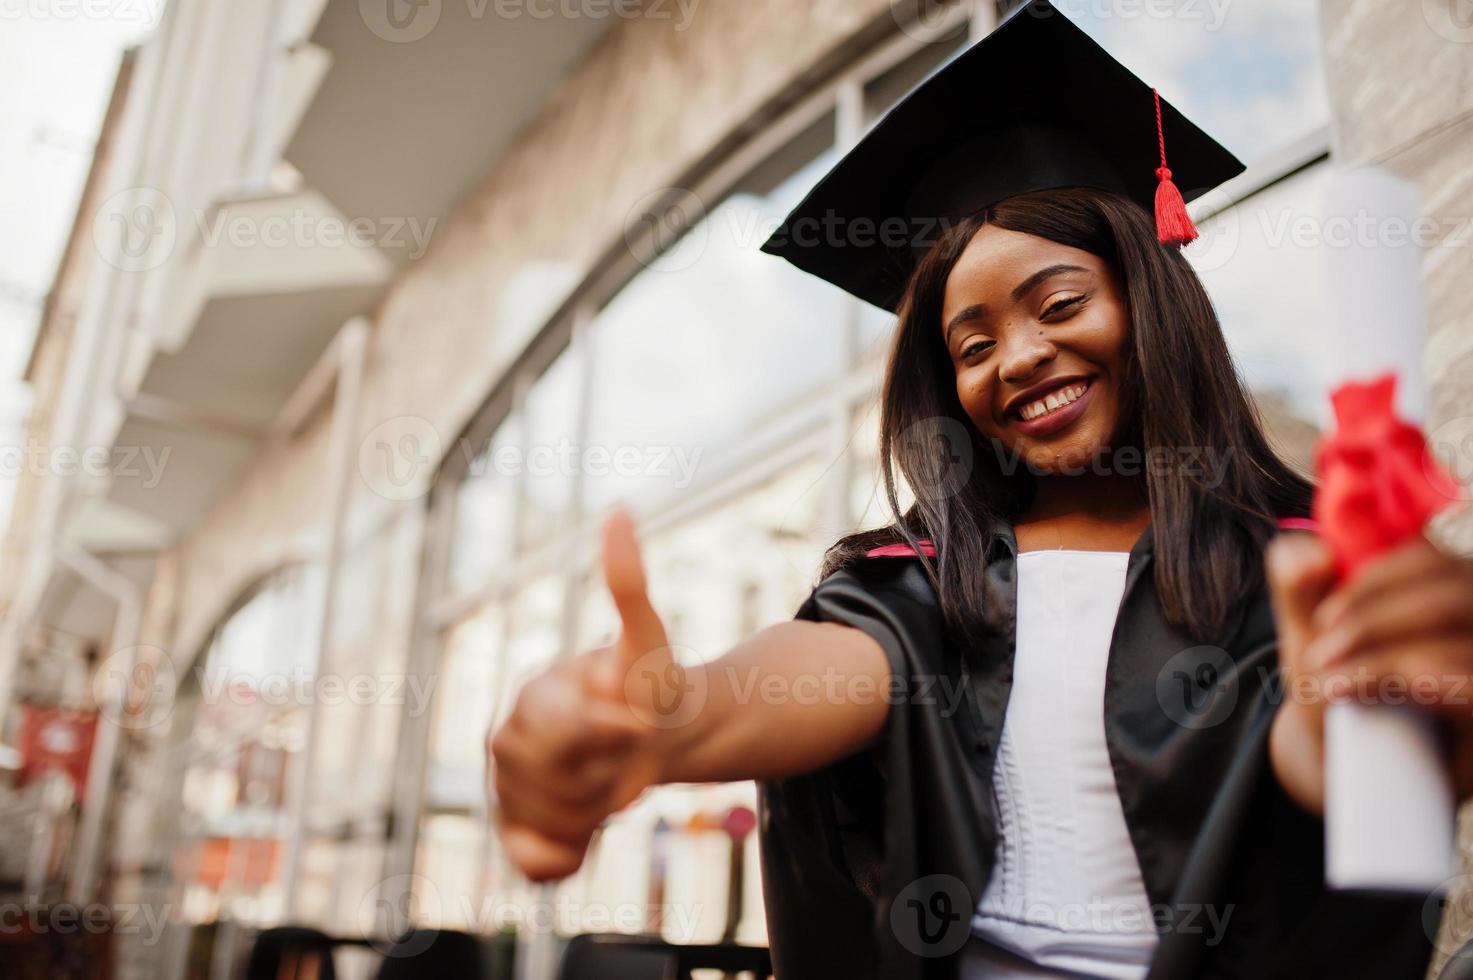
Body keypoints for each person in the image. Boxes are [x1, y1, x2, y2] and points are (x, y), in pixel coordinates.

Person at [487, 3, 1473, 977]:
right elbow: (811, 676)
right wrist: (672, 718)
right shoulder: (922, 583)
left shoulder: (1293, 557)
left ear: (1150, 299)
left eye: (1060, 302)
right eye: (973, 344)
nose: (1022, 355)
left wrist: (1376, 718)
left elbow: (1320, 766)